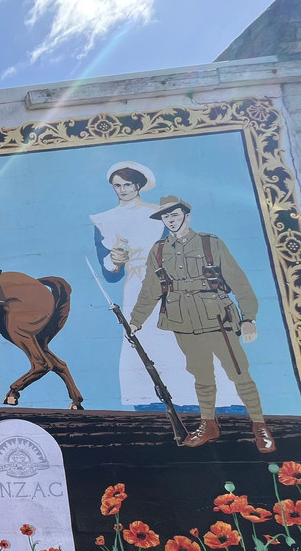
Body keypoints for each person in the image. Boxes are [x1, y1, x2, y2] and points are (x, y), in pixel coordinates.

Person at [128, 196, 276, 453]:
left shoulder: (210, 243)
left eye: (174, 215)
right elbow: (150, 289)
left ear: (187, 215)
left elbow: (238, 281)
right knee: (201, 375)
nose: (170, 220)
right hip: (183, 322)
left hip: (217, 318)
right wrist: (135, 321)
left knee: (239, 373)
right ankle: (209, 424)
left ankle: (259, 426)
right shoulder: (159, 250)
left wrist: (249, 317)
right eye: (165, 217)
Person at [90, 162, 235, 409]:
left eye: (127, 185)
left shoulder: (159, 214)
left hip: (173, 283)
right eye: (117, 186)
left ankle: (201, 399)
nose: (122, 190)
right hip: (136, 287)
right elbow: (110, 275)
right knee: (143, 339)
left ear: (138, 185)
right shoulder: (103, 221)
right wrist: (114, 262)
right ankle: (150, 400)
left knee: (182, 338)